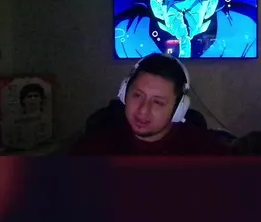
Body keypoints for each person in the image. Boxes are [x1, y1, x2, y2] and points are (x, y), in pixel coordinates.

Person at [70, 53, 228, 155]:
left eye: (158, 102)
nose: (143, 110)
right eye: (137, 95)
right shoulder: (94, 148)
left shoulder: (204, 153)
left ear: (178, 109)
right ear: (124, 94)